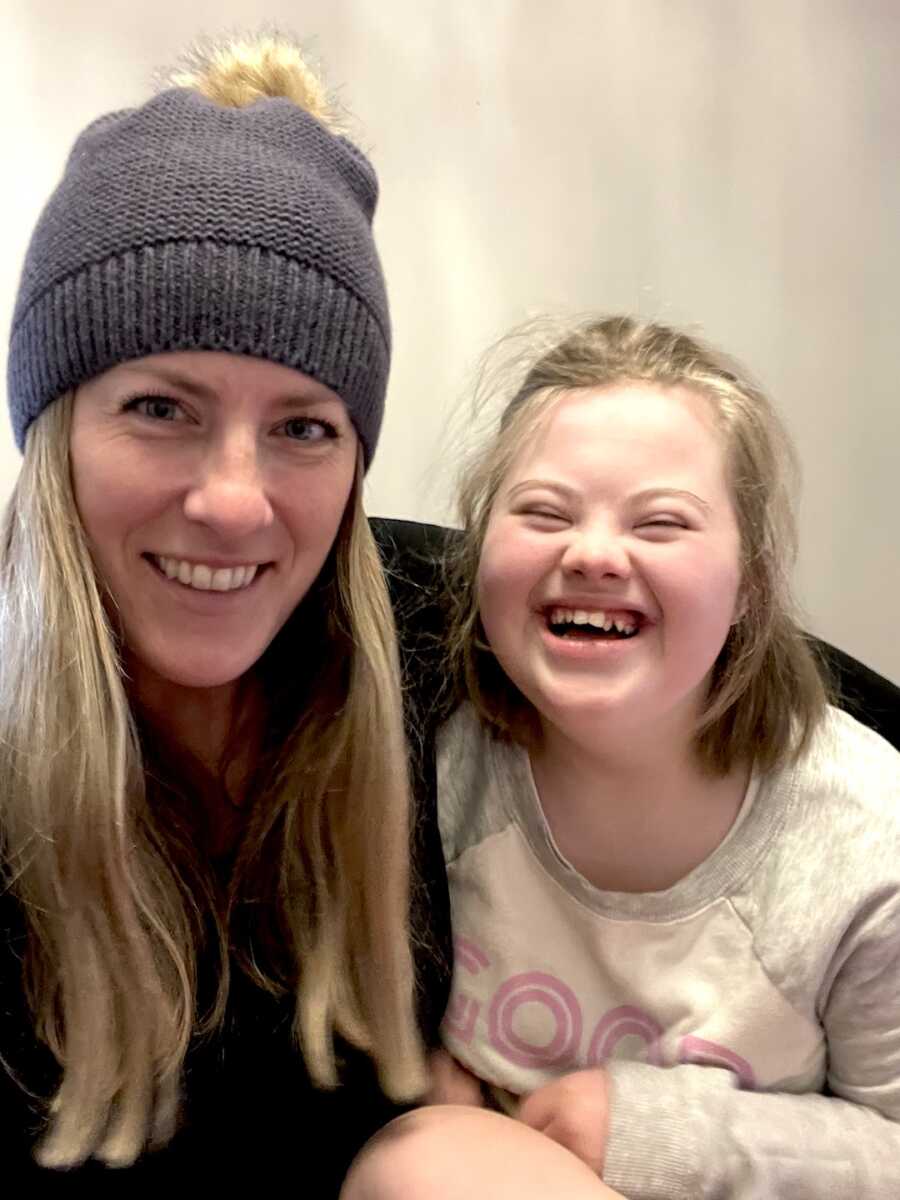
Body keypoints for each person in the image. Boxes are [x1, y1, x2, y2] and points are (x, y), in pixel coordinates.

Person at [0, 33, 451, 1184]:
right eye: (160, 407)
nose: (234, 503)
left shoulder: (440, 645)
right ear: (54, 434)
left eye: (304, 427)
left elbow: (774, 710)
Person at [342, 316, 900, 1199]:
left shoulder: (870, 845)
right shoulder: (426, 769)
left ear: (750, 582)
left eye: (663, 523)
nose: (594, 552)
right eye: (544, 513)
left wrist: (654, 1131)